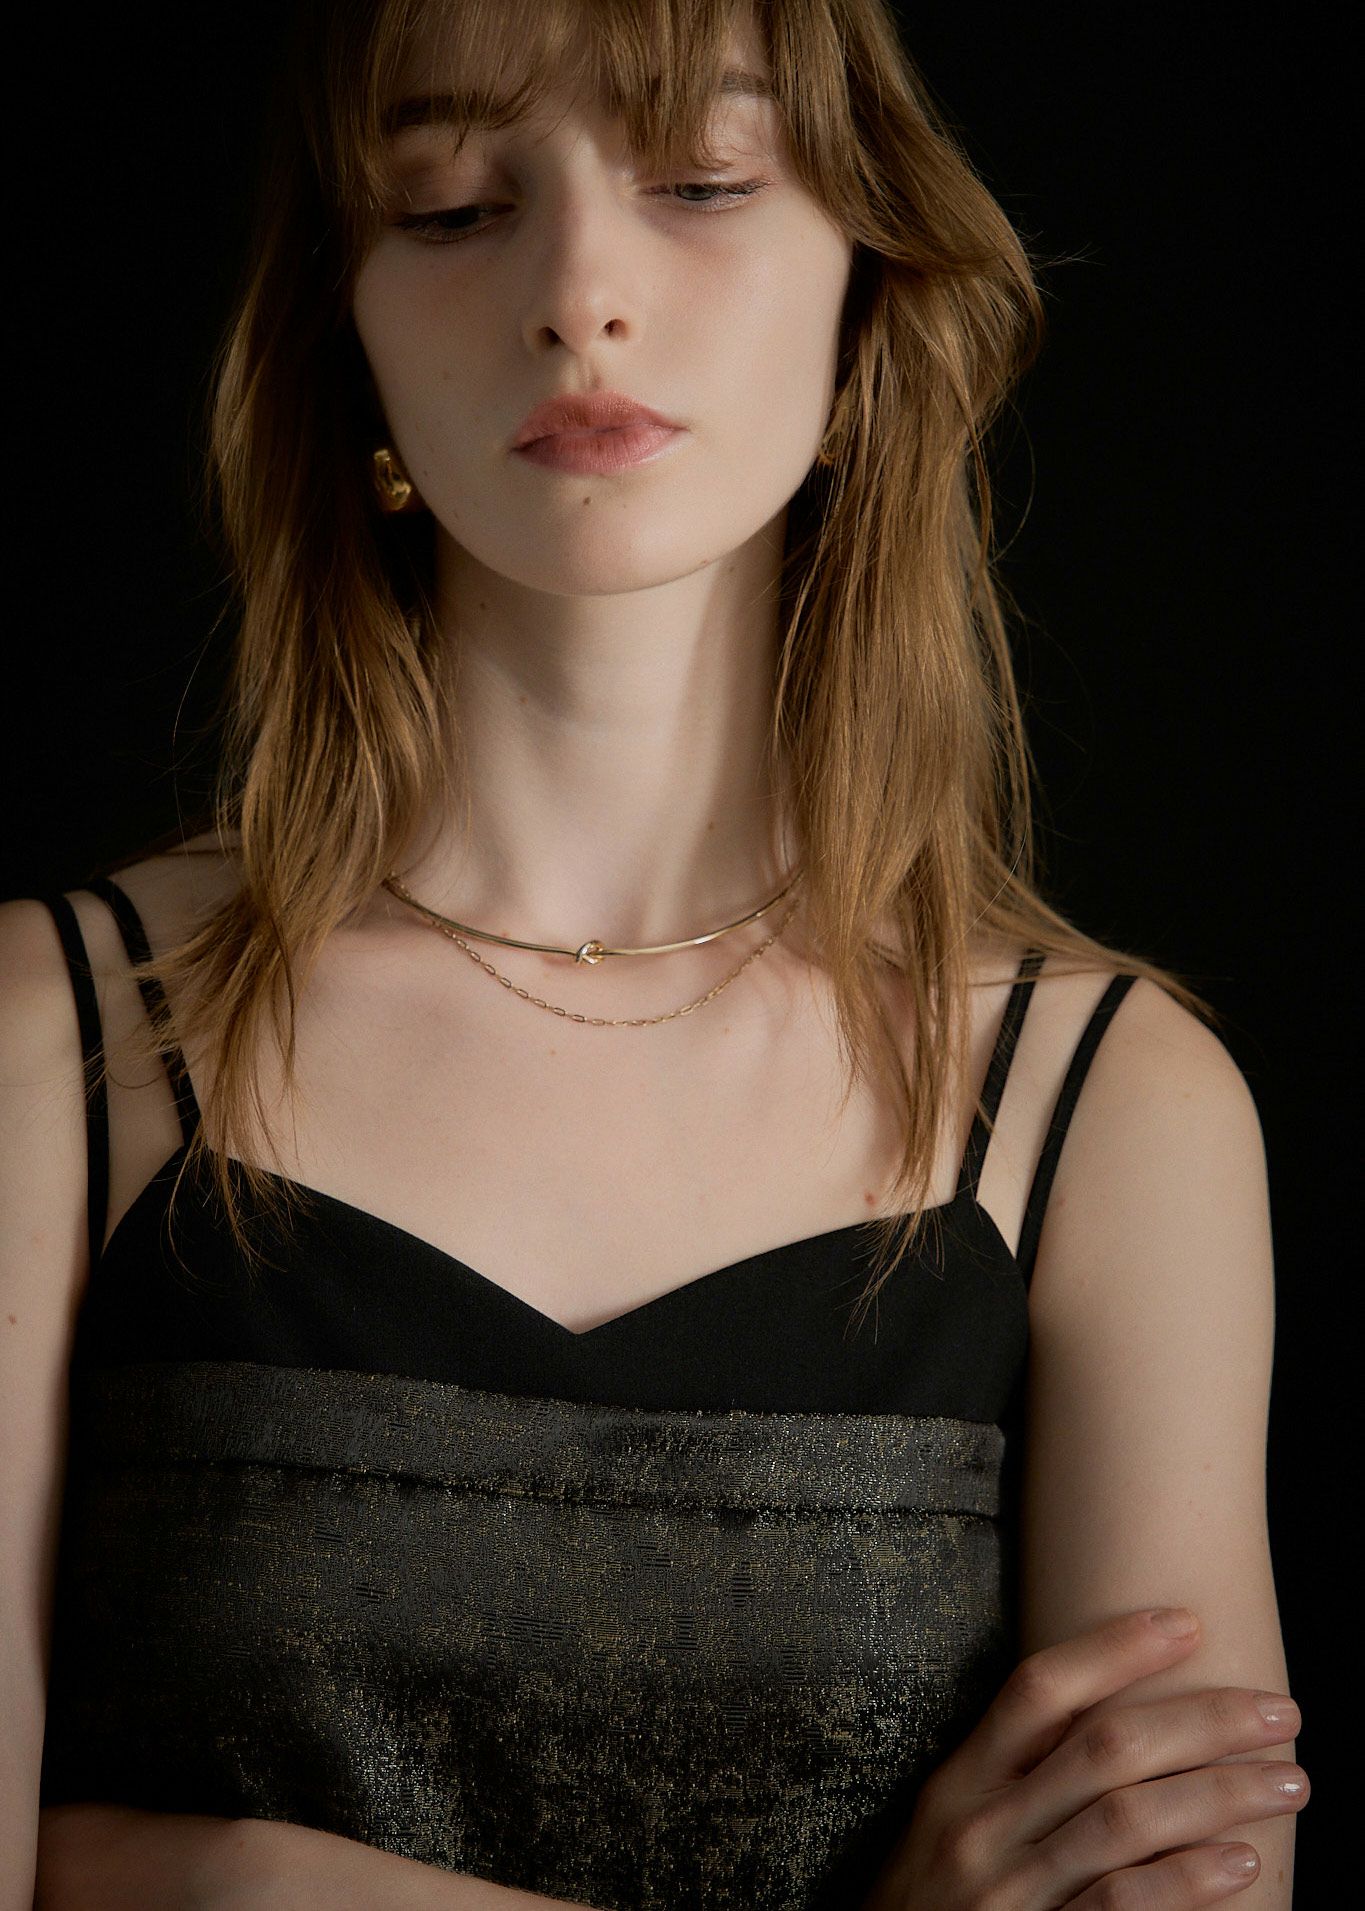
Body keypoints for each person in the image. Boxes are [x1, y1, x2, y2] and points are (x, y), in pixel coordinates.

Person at [2, 1, 1305, 1906]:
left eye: (700, 178)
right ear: (346, 333)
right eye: (453, 206)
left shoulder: (1108, 1105)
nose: (576, 295)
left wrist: (207, 1886)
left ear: (868, 291)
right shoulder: (58, 1036)